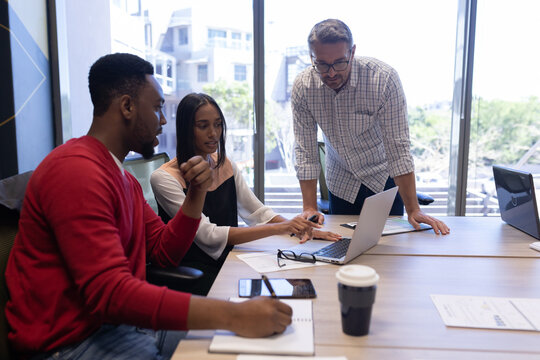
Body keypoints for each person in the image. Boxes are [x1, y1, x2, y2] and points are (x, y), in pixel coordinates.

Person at [5, 53, 292, 360]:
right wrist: (233, 316)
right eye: (157, 108)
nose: (164, 120)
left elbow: (164, 252)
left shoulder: (122, 178)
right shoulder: (76, 171)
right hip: (73, 344)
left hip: (125, 327)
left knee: (254, 348)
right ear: (127, 106)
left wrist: (196, 194)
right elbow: (110, 294)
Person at [151, 93, 339, 294]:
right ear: (187, 130)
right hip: (196, 270)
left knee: (301, 276)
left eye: (218, 124)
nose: (214, 134)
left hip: (231, 257)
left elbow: (257, 212)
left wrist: (300, 229)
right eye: (203, 126)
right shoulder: (164, 178)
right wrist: (283, 228)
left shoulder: (225, 164)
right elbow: (208, 235)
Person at [292, 19, 449, 235]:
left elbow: (398, 150)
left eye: (339, 62)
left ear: (352, 52)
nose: (331, 73)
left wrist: (413, 209)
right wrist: (309, 207)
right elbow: (306, 152)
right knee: (342, 245)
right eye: (321, 64)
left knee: (388, 251)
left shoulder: (383, 79)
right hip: (341, 182)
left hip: (383, 180)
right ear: (311, 56)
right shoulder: (304, 86)